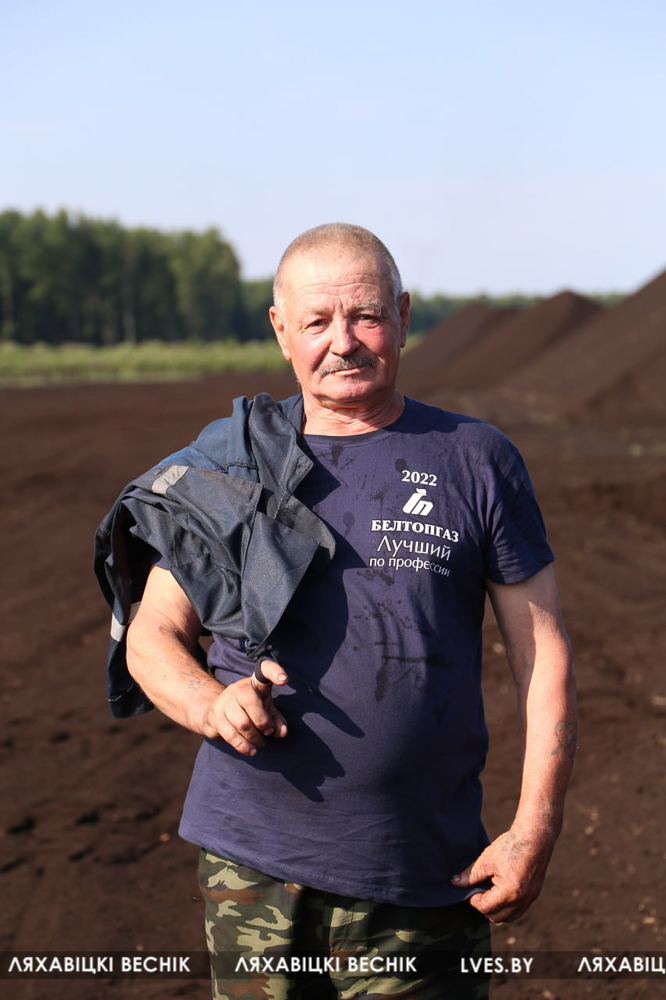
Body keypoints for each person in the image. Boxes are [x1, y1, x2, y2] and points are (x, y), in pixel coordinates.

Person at [100, 223, 577, 999]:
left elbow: (543, 653)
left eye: (366, 316)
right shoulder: (236, 464)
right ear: (281, 330)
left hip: (419, 868)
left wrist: (536, 825)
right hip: (252, 868)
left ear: (403, 316)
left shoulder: (475, 458)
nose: (343, 342)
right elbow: (154, 634)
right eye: (317, 321)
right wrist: (211, 704)